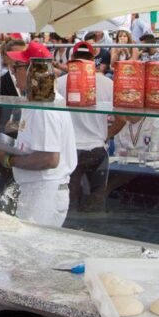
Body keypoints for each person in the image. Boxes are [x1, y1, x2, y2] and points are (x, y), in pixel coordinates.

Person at [0, 42, 77, 227]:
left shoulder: (44, 107)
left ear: (32, 70)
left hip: (44, 192)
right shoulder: (39, 102)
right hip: (41, 190)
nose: (12, 71)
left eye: (16, 67)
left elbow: (49, 159)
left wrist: (6, 159)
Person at [55, 42, 113, 212]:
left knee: (68, 205)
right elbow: (123, 119)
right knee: (96, 203)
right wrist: (106, 135)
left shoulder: (59, 83)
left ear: (71, 59)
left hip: (69, 150)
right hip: (97, 148)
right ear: (93, 59)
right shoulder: (107, 83)